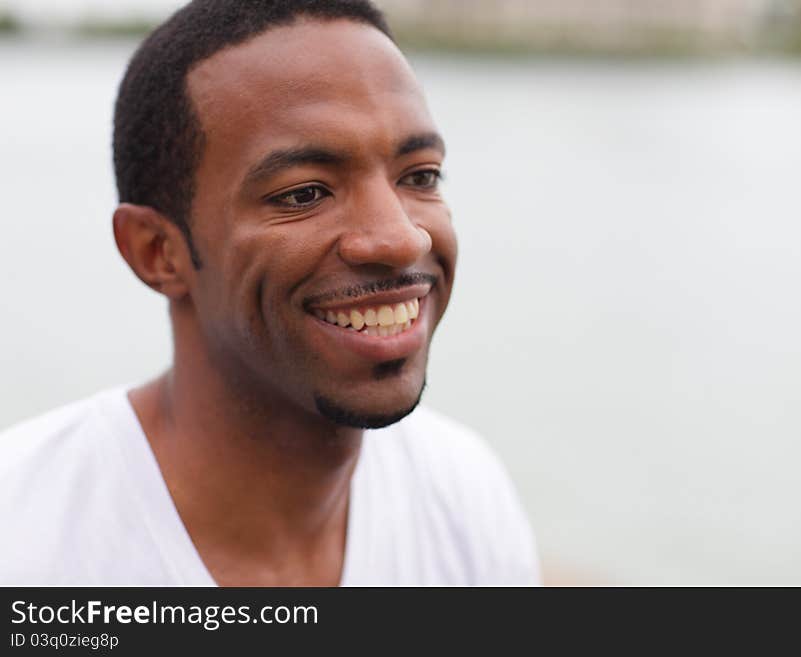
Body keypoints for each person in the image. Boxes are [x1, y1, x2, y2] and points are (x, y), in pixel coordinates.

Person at [0, 0, 539, 586]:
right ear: (158, 252)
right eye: (304, 193)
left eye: (420, 176)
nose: (401, 238)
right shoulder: (24, 537)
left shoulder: (464, 494)